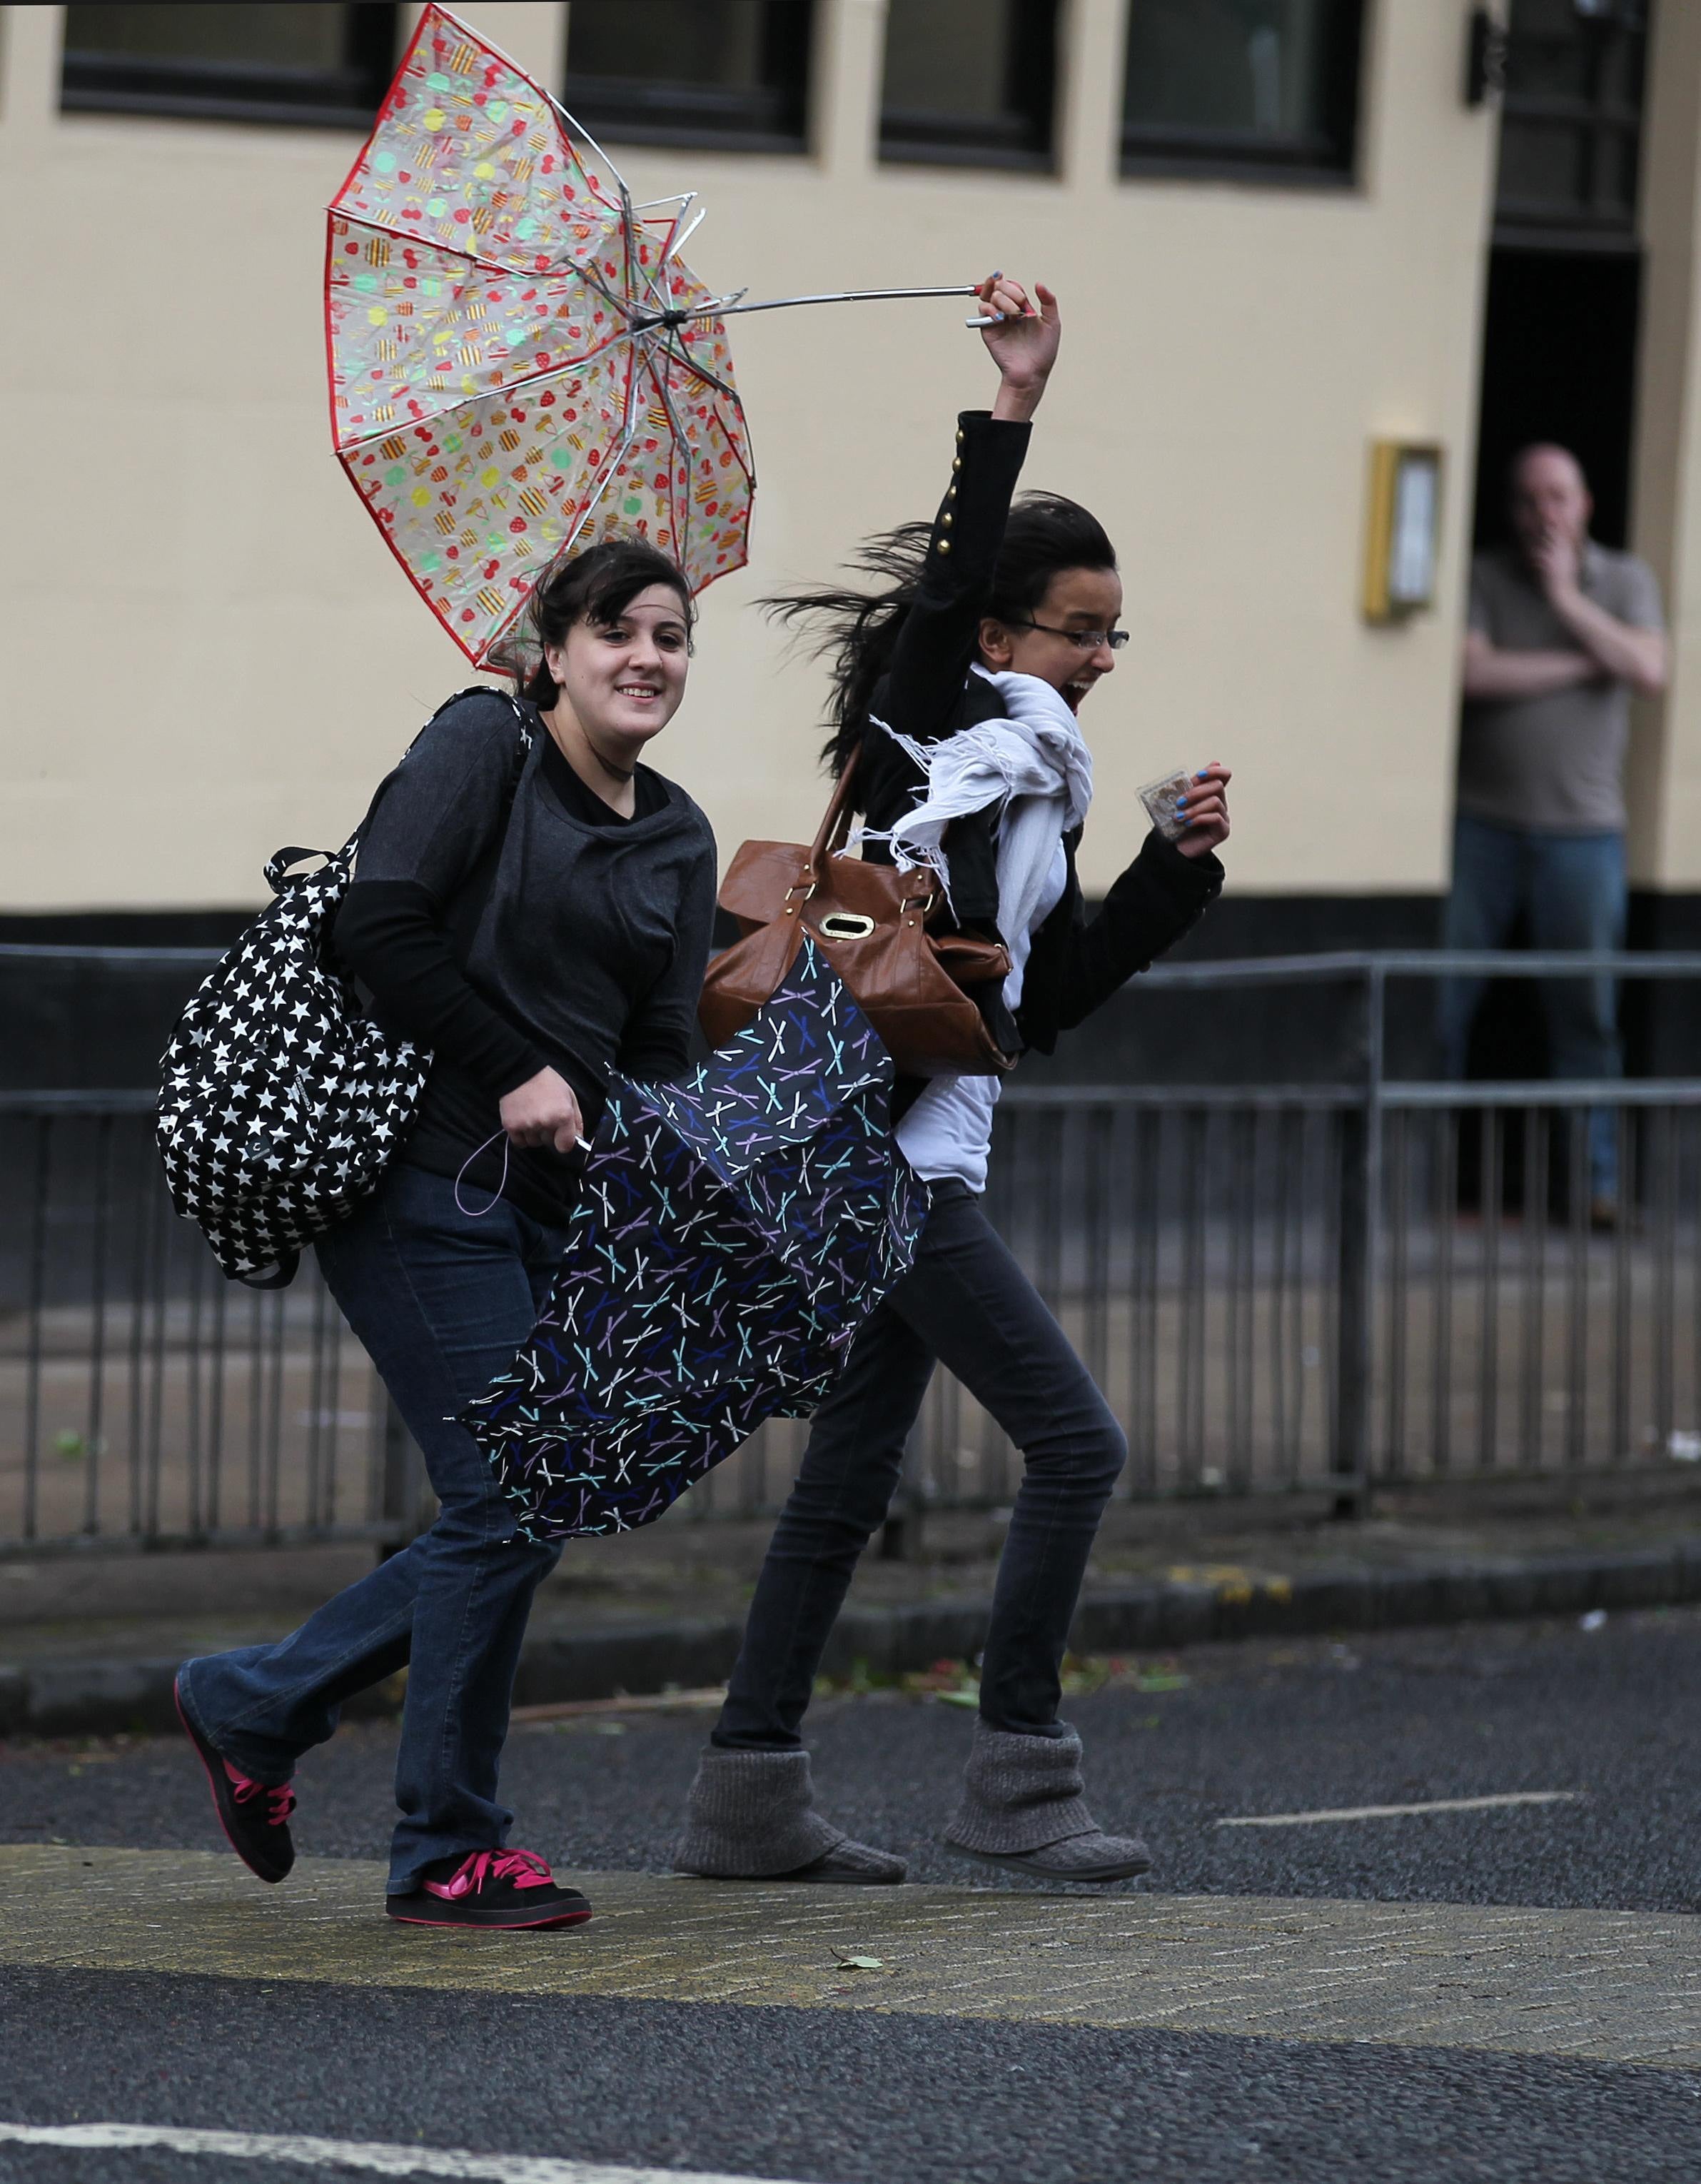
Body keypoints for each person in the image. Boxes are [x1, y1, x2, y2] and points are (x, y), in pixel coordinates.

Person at [674, 275, 1230, 1888]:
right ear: (995, 638)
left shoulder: (1035, 796)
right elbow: (934, 585)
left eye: (1116, 629)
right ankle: (1018, 1782)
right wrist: (1011, 408)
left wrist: (1166, 871)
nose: (1105, 655)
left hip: (933, 1142)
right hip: (884, 1161)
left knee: (848, 1476)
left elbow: (1034, 1003)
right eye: (1079, 629)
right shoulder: (936, 729)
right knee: (1079, 1446)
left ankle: (745, 1798)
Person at [175, 541, 717, 1930]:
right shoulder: (483, 743)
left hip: (551, 1205)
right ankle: (444, 1845)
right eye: (616, 630)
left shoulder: (677, 836)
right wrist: (515, 1062)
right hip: (417, 1180)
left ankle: (254, 1700)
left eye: (671, 634)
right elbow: (379, 920)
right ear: (554, 646)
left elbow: (654, 1050)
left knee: (535, 1500)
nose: (646, 655)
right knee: (510, 1497)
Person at [1442, 444, 1667, 1219]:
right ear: (1511, 508)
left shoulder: (1625, 580)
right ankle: (1423, 1180)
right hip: (1484, 828)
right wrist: (1580, 662)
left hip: (1585, 835)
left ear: (1585, 505)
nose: (1546, 513)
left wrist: (1568, 601)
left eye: (1559, 497)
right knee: (1444, 1004)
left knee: (1586, 1014)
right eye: (1530, 498)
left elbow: (1648, 668)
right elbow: (1471, 674)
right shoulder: (1482, 574)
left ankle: (1594, 1187)